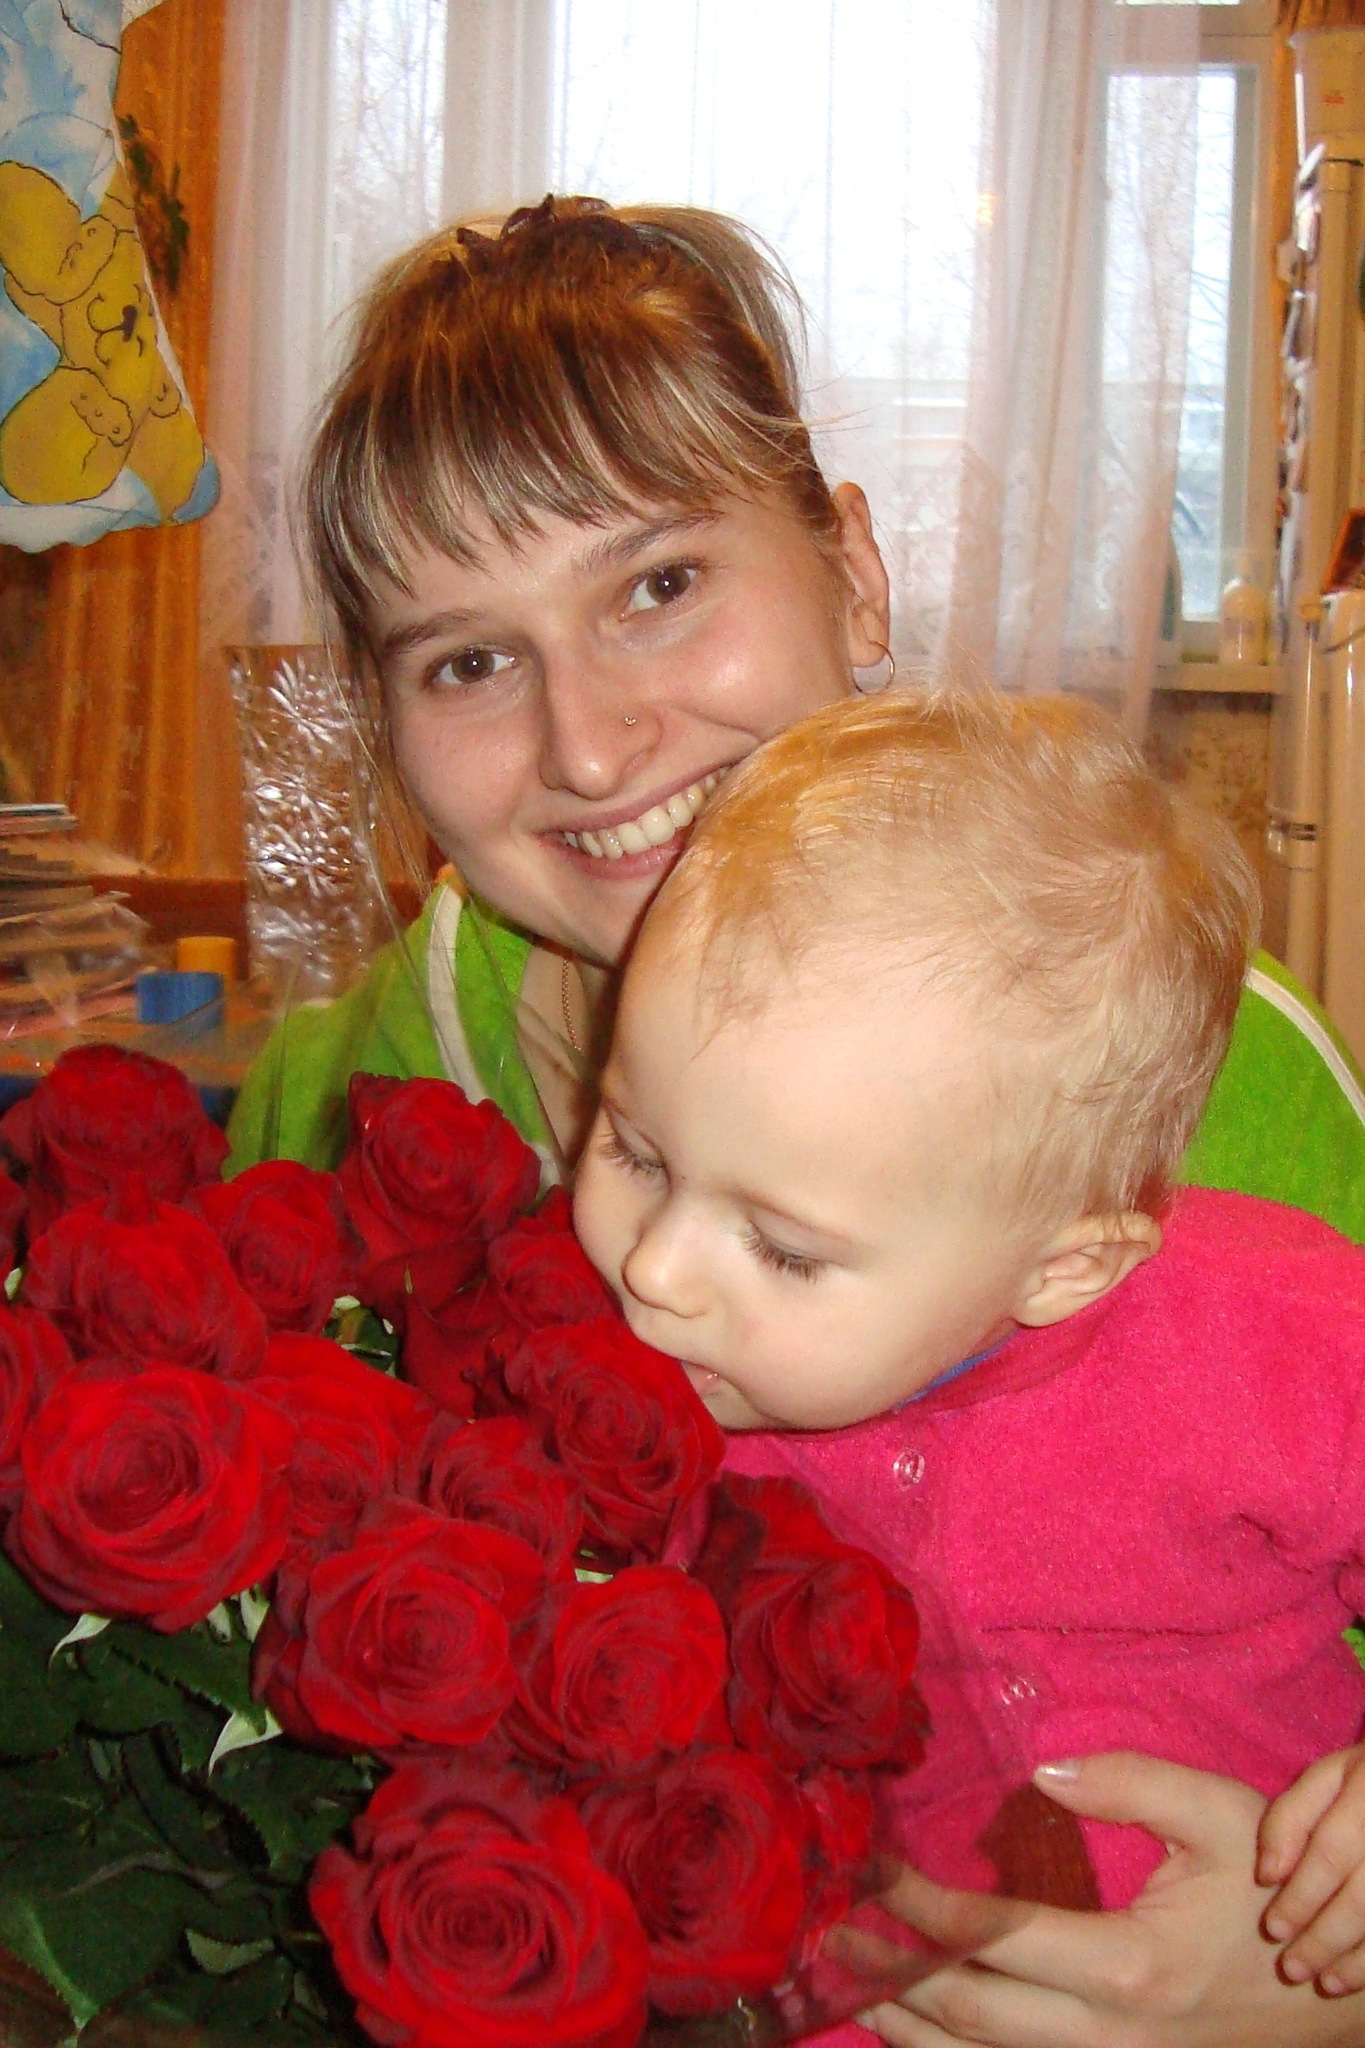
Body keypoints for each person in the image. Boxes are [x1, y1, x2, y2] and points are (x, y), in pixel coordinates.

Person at [222, 195, 1365, 2045]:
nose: (589, 746)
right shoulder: (341, 1106)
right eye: (466, 660)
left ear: (852, 569)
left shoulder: (1189, 1076)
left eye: (657, 585)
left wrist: (1321, 1988)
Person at [571, 686, 1365, 2040]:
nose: (655, 1269)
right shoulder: (637, 1380)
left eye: (785, 1250)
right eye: (634, 1150)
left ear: (1065, 1267)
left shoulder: (1278, 1335)